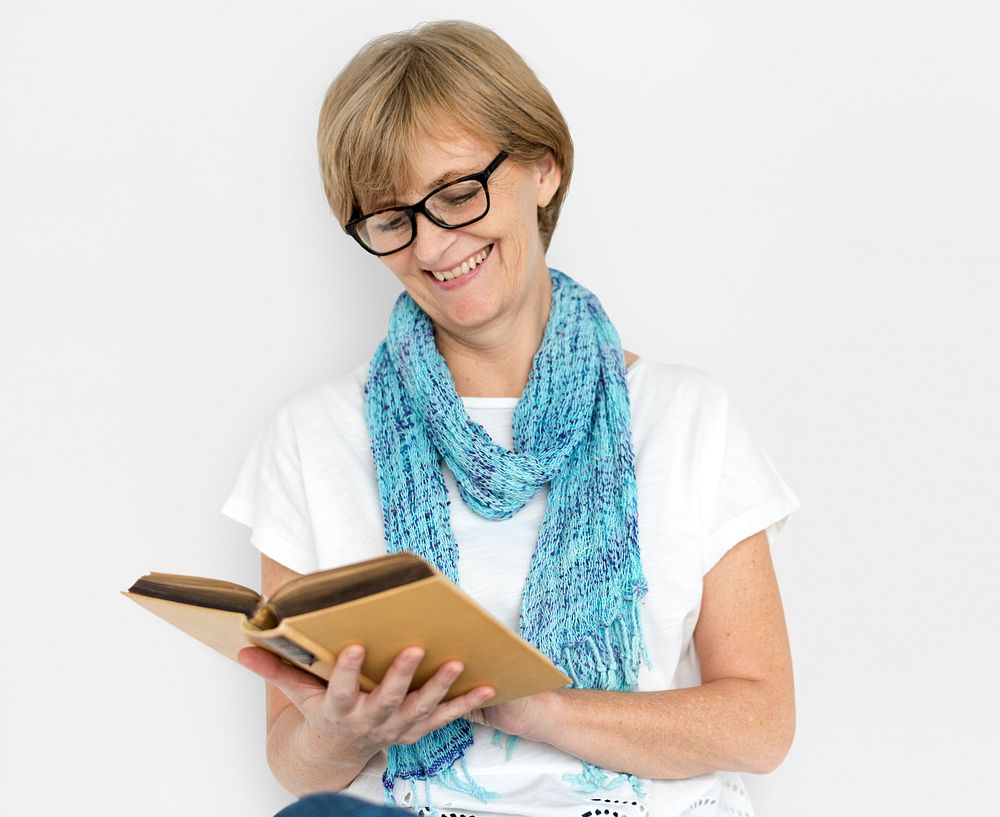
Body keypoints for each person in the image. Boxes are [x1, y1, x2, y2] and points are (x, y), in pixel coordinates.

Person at [223, 19, 801, 817]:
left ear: (543, 168)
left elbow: (762, 724)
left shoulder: (686, 416)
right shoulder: (312, 436)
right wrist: (340, 727)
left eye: (459, 193)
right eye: (392, 220)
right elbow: (295, 764)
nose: (433, 244)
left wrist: (543, 709)